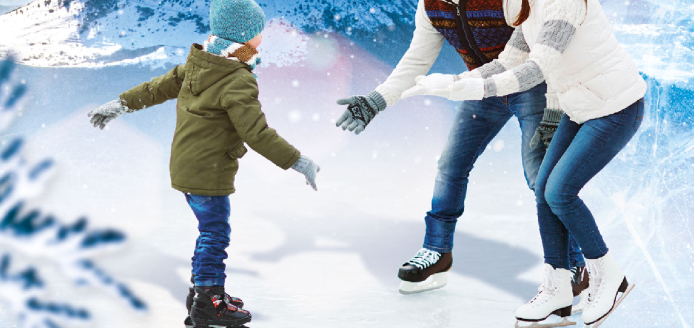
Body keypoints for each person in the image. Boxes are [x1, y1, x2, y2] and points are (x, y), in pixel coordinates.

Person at [405, 0, 645, 326]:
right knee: (545, 187)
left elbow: (535, 69)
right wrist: (453, 82)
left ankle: (608, 275)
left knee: (560, 191)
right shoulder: (525, 5)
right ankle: (558, 290)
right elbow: (509, 61)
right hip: (579, 107)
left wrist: (469, 90)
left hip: (614, 107)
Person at [86, 0, 320, 327]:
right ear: (242, 37)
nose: (261, 39)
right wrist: (298, 161)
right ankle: (210, 299)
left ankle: (200, 292)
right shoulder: (237, 78)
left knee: (207, 232)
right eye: (256, 33)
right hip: (209, 172)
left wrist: (119, 104)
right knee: (214, 233)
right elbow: (257, 133)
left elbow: (155, 89)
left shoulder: (199, 63)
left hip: (186, 165)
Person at [334, 0, 587, 301]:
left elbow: (549, 47)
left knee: (541, 177)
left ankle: (574, 264)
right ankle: (437, 250)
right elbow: (416, 61)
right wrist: (378, 100)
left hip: (530, 85)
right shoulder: (430, 7)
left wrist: (556, 101)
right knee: (450, 166)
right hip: (483, 88)